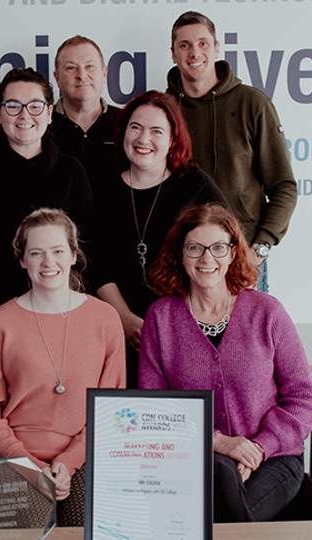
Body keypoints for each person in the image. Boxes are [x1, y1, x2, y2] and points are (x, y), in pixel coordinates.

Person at [138, 203, 312, 522]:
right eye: (195, 248)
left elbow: (301, 399)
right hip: (193, 455)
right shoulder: (160, 318)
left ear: (234, 252)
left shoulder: (267, 312)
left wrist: (258, 448)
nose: (207, 259)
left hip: (272, 458)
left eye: (219, 247)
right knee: (220, 471)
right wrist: (219, 441)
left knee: (220, 499)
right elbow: (155, 408)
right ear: (180, 254)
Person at [0, 208, 125, 527]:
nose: (48, 262)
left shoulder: (105, 319)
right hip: (11, 457)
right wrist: (30, 465)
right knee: (24, 526)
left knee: (89, 526)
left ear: (73, 255)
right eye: (36, 253)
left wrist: (67, 463)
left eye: (57, 251)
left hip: (83, 456)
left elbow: (110, 410)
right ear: (22, 260)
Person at [0, 68, 94, 373]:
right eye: (13, 105)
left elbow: (89, 246)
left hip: (58, 316)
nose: (24, 114)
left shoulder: (71, 171)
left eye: (35, 105)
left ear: (50, 113)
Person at [93, 90, 227, 388]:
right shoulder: (104, 188)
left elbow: (222, 253)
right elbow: (95, 262)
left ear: (172, 139)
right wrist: (124, 318)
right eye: (135, 127)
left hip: (185, 331)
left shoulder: (195, 185)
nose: (143, 139)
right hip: (120, 329)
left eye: (156, 131)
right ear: (123, 131)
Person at [166, 11, 297, 293]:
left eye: (202, 43)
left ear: (216, 48)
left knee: (248, 339)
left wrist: (258, 249)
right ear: (173, 54)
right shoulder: (164, 110)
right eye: (184, 45)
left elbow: (284, 186)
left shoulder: (253, 103)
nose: (194, 52)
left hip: (242, 258)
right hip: (184, 263)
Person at [50, 36, 121, 192]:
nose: (82, 75)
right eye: (71, 68)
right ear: (57, 78)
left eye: (90, 66)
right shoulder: (42, 126)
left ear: (104, 73)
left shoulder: (127, 122)